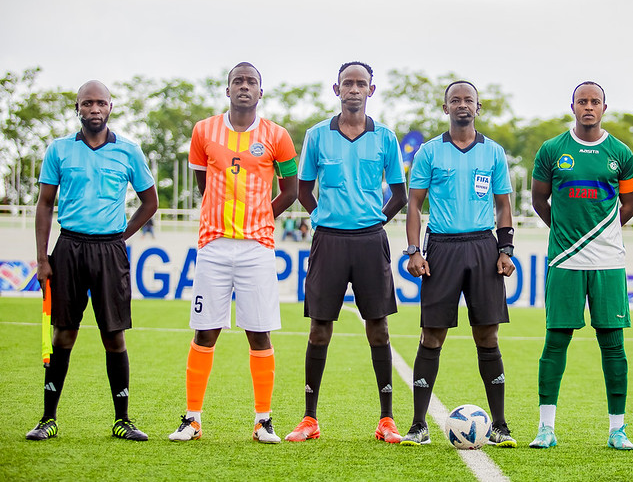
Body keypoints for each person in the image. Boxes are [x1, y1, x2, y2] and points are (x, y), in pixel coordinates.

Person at [168, 62, 298, 443]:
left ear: (261, 91)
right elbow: (203, 183)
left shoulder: (278, 136)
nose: (244, 86)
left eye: (251, 81)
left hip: (258, 247)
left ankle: (263, 421)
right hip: (214, 244)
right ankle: (192, 419)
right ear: (227, 90)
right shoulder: (203, 131)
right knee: (205, 330)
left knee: (259, 332)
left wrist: (262, 216)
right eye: (237, 81)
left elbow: (291, 190)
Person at [26, 80, 158, 441]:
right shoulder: (59, 149)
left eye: (101, 103)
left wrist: (120, 238)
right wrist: (42, 258)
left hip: (109, 251)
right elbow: (45, 204)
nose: (94, 109)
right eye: (87, 103)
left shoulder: (129, 151)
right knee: (63, 333)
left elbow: (150, 202)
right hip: (68, 247)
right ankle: (48, 419)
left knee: (113, 335)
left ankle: (122, 420)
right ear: (77, 108)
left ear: (111, 107)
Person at [286, 61, 407, 443]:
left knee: (379, 328)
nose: (354, 89)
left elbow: (399, 195)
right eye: (347, 83)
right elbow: (303, 190)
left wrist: (374, 221)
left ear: (371, 90)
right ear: (336, 89)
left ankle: (386, 420)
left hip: (371, 241)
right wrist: (324, 217)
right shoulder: (317, 135)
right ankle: (309, 419)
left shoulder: (385, 137)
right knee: (319, 328)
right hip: (329, 241)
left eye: (361, 83)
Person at [401, 80, 517, 447]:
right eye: (455, 100)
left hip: (483, 246)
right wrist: (414, 251)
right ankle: (418, 425)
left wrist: (506, 249)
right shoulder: (429, 152)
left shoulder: (493, 152)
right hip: (442, 248)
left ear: (478, 108)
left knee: (487, 335)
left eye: (468, 100)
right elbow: (414, 204)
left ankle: (500, 425)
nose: (462, 105)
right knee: (432, 334)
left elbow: (503, 204)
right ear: (445, 107)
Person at [530, 81, 633, 450]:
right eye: (582, 101)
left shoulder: (620, 153)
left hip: (608, 261)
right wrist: (565, 233)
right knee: (555, 341)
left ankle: (617, 430)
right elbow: (539, 200)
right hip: (565, 259)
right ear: (572, 106)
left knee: (613, 344)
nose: (588, 107)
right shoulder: (552, 150)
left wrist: (600, 235)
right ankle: (546, 428)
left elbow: (630, 204)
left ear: (604, 107)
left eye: (595, 101)